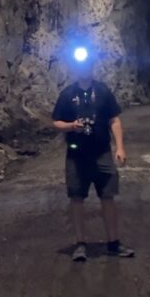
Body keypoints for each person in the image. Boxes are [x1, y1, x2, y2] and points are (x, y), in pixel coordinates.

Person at [51, 53, 135, 262]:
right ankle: (80, 244)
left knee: (108, 197)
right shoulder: (67, 94)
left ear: (92, 67)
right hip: (76, 156)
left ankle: (113, 243)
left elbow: (114, 120)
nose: (84, 69)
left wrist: (120, 147)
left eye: (87, 65)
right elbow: (56, 122)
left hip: (102, 153)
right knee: (77, 199)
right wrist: (71, 126)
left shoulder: (103, 91)